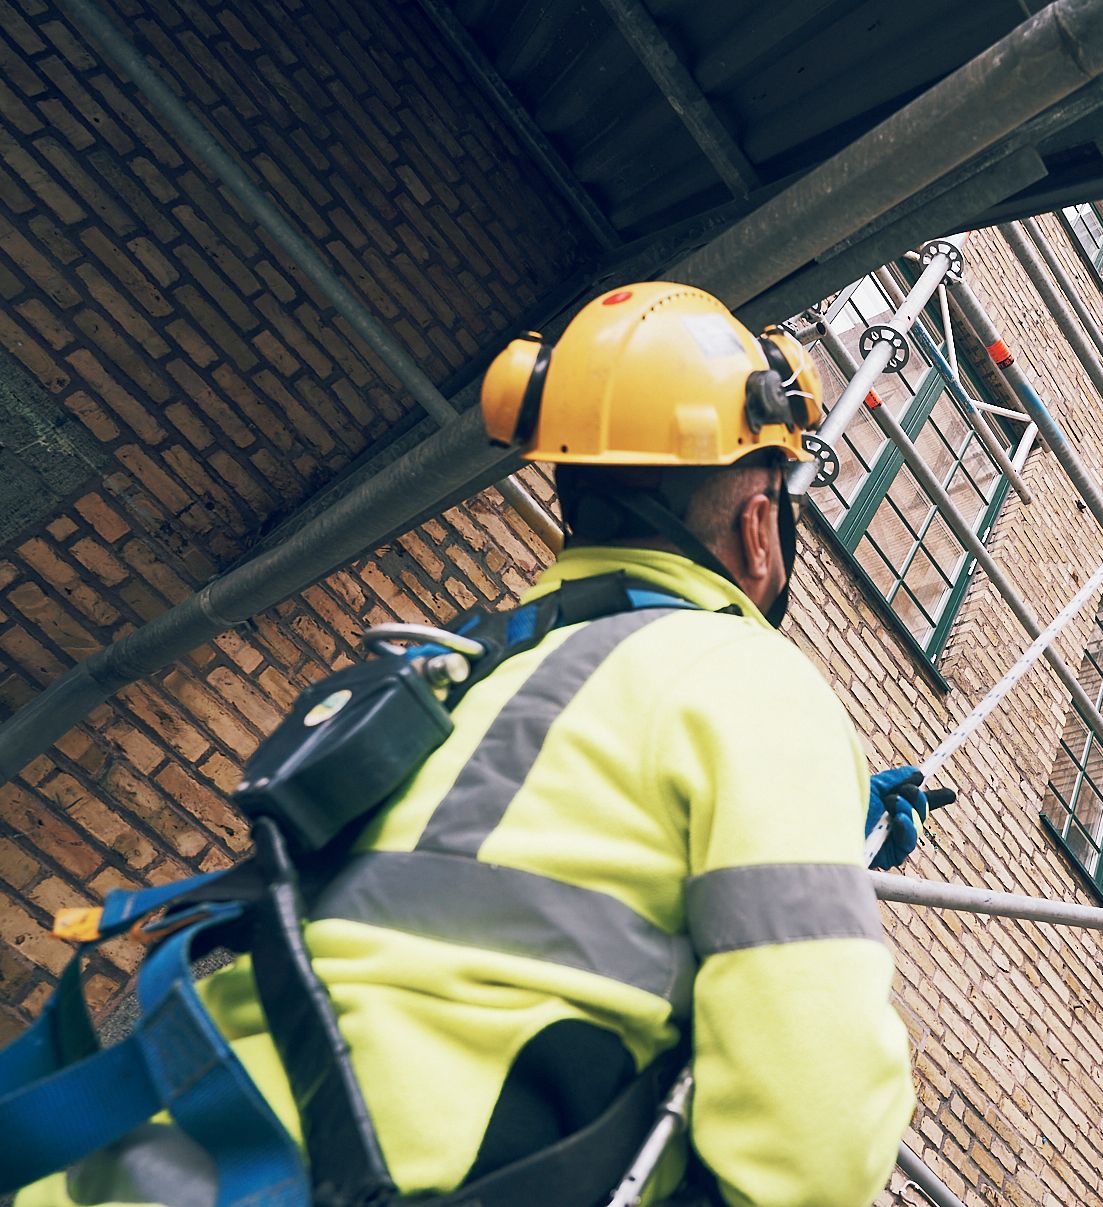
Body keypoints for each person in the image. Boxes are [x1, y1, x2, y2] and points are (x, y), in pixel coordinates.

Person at [17, 283, 918, 1206]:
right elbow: (815, 1135)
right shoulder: (746, 675)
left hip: (132, 1164)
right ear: (761, 529)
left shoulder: (460, 664)